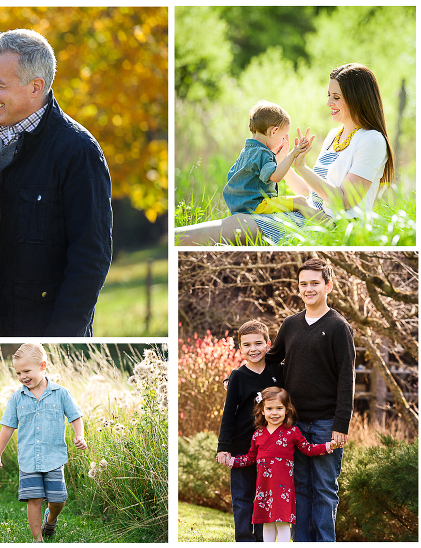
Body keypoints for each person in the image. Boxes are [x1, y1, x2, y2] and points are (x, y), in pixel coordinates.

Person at [0, 29, 113, 336]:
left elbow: (91, 258)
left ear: (36, 86)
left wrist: (61, 338)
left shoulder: (78, 152)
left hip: (44, 330)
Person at [176, 63, 394, 245]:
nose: (329, 103)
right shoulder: (333, 136)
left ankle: (174, 242)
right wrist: (283, 162)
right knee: (239, 222)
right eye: (329, 95)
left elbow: (343, 202)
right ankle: (173, 241)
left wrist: (302, 167)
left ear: (357, 98)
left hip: (333, 226)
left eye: (336, 97)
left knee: (238, 227)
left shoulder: (371, 140)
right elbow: (310, 194)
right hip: (308, 214)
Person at [264, 258, 355, 542]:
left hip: (328, 423)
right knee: (300, 488)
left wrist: (341, 424)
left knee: (325, 490)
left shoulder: (339, 327)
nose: (308, 289)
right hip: (295, 424)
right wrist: (239, 374)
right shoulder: (290, 325)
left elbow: (347, 378)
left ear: (328, 286)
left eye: (315, 283)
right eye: (303, 284)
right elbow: (269, 360)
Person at [0, 343, 87, 541]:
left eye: (27, 371)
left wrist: (80, 435)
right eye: (18, 373)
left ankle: (50, 520)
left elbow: (75, 416)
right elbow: (7, 427)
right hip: (29, 459)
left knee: (58, 499)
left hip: (54, 457)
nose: (22, 377)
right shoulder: (17, 398)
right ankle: (37, 539)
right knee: (34, 499)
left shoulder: (61, 393)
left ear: (43, 366)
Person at [219, 387, 338, 543]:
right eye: (269, 409)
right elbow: (250, 457)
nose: (274, 413)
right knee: (267, 524)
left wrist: (328, 446)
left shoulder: (292, 432)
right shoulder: (258, 435)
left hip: (283, 490)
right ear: (261, 410)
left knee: (282, 524)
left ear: (287, 410)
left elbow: (308, 449)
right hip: (264, 490)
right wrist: (233, 461)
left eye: (279, 408)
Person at [216, 320, 284, 542]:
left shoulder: (278, 372)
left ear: (268, 344)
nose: (253, 349)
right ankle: (245, 539)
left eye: (258, 343)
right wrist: (224, 447)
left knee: (264, 496)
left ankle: (262, 539)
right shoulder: (237, 376)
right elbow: (228, 414)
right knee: (243, 495)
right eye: (246, 345)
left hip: (270, 447)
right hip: (242, 444)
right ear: (240, 348)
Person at [223, 101, 321, 219]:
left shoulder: (247, 151)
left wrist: (280, 158)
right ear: (273, 132)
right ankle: (331, 226)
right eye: (283, 136)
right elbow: (276, 176)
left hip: (240, 206)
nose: (284, 141)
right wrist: (292, 154)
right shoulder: (263, 153)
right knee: (300, 201)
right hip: (256, 206)